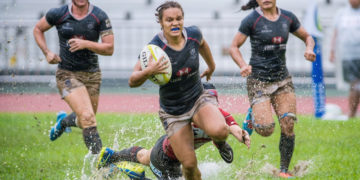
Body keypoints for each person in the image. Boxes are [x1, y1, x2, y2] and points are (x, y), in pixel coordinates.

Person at [128, 2, 231, 179]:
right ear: (161, 23)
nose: (175, 23)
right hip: (174, 112)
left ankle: (220, 143)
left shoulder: (193, 34)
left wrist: (211, 66)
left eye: (178, 19)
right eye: (169, 20)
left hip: (197, 99)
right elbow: (132, 81)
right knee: (189, 165)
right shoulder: (154, 49)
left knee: (221, 131)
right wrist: (148, 72)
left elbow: (203, 44)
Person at [229, 0, 316, 178]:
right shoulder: (251, 20)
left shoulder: (287, 17)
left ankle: (284, 170)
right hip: (258, 82)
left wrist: (309, 48)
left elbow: (308, 36)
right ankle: (254, 114)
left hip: (282, 80)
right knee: (266, 129)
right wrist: (243, 65)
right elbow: (233, 46)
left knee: (288, 124)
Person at [96, 83, 251, 179]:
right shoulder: (192, 116)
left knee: (143, 156)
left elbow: (232, 128)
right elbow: (229, 131)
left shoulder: (218, 118)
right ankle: (136, 177)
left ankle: (112, 156)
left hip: (163, 147)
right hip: (167, 160)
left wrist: (241, 134)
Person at [33, 0, 114, 155]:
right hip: (67, 74)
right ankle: (101, 164)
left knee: (85, 119)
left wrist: (85, 44)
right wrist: (47, 52)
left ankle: (63, 122)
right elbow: (38, 29)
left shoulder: (100, 16)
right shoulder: (58, 13)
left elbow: (109, 48)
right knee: (88, 117)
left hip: (93, 75)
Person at [330, 0, 360, 118]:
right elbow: (335, 33)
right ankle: (352, 114)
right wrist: (332, 51)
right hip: (348, 55)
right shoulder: (341, 13)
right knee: (354, 85)